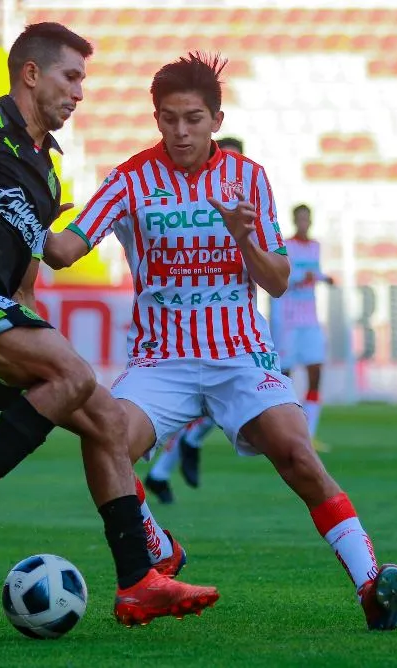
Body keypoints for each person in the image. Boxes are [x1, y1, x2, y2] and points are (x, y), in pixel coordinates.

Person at [0, 22, 218, 627]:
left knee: (104, 416)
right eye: (71, 77)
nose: (80, 92)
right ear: (31, 73)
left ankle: (137, 581)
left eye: (84, 80)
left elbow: (23, 287)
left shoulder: (49, 176)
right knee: (74, 372)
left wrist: (41, 342)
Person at [45, 52, 397, 631]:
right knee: (104, 440)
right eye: (168, 119)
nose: (180, 131)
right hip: (161, 360)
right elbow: (64, 252)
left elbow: (278, 279)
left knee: (297, 453)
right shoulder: (130, 178)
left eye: (192, 118)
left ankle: (370, 582)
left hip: (240, 355)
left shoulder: (248, 178)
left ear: (216, 118)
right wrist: (37, 212)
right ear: (156, 118)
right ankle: (154, 547)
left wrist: (245, 241)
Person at [142, 136, 244, 504]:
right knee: (202, 402)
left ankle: (162, 468)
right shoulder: (187, 206)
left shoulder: (249, 203)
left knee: (238, 398)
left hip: (237, 327)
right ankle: (164, 464)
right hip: (180, 329)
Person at [269, 204, 335, 452]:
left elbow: (314, 272)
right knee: (284, 378)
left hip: (310, 320)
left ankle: (309, 434)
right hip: (288, 320)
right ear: (295, 220)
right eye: (300, 219)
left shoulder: (316, 246)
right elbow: (283, 276)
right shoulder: (286, 246)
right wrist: (303, 278)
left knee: (316, 372)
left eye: (307, 218)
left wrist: (323, 278)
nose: (304, 223)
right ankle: (283, 431)